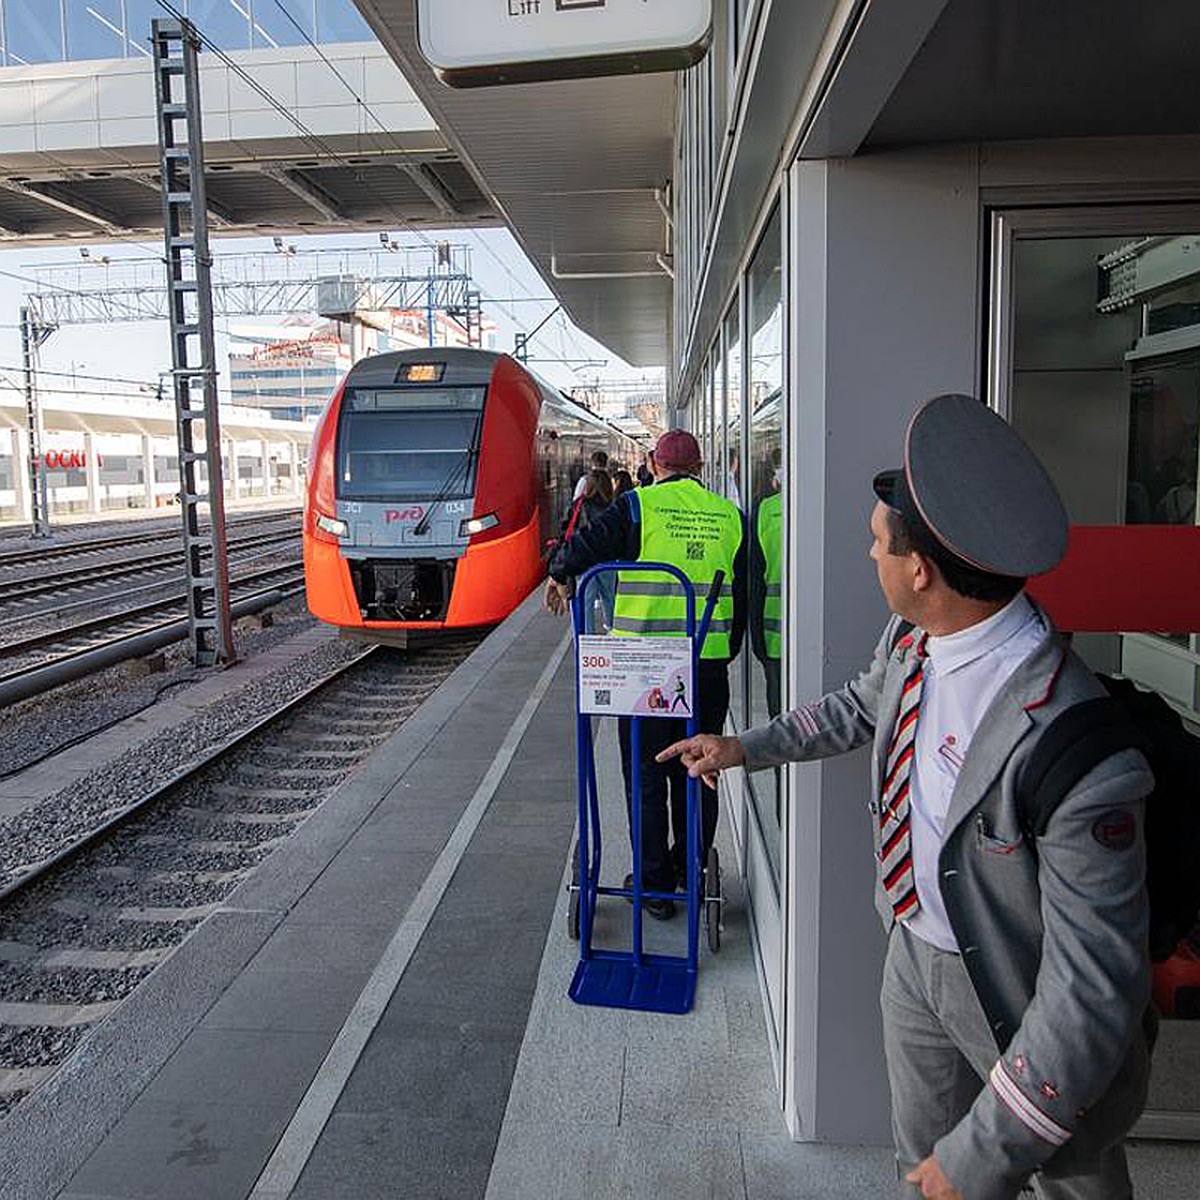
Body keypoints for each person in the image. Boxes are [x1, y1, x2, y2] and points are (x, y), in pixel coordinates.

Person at [659, 394, 1154, 1200]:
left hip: (1021, 992)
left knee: (1070, 1177)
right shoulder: (918, 640)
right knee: (918, 1166)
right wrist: (744, 747)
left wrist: (981, 1155)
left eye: (877, 544)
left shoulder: (1074, 744)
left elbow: (1092, 991)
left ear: (920, 571)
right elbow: (857, 708)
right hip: (916, 962)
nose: (869, 555)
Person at [545, 428, 746, 921]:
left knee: (647, 775)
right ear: (699, 468)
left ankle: (655, 887)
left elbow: (583, 547)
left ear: (655, 464)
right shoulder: (730, 516)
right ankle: (691, 873)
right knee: (700, 771)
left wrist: (559, 572)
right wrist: (725, 650)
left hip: (646, 670)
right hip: (707, 666)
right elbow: (742, 597)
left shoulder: (638, 506)